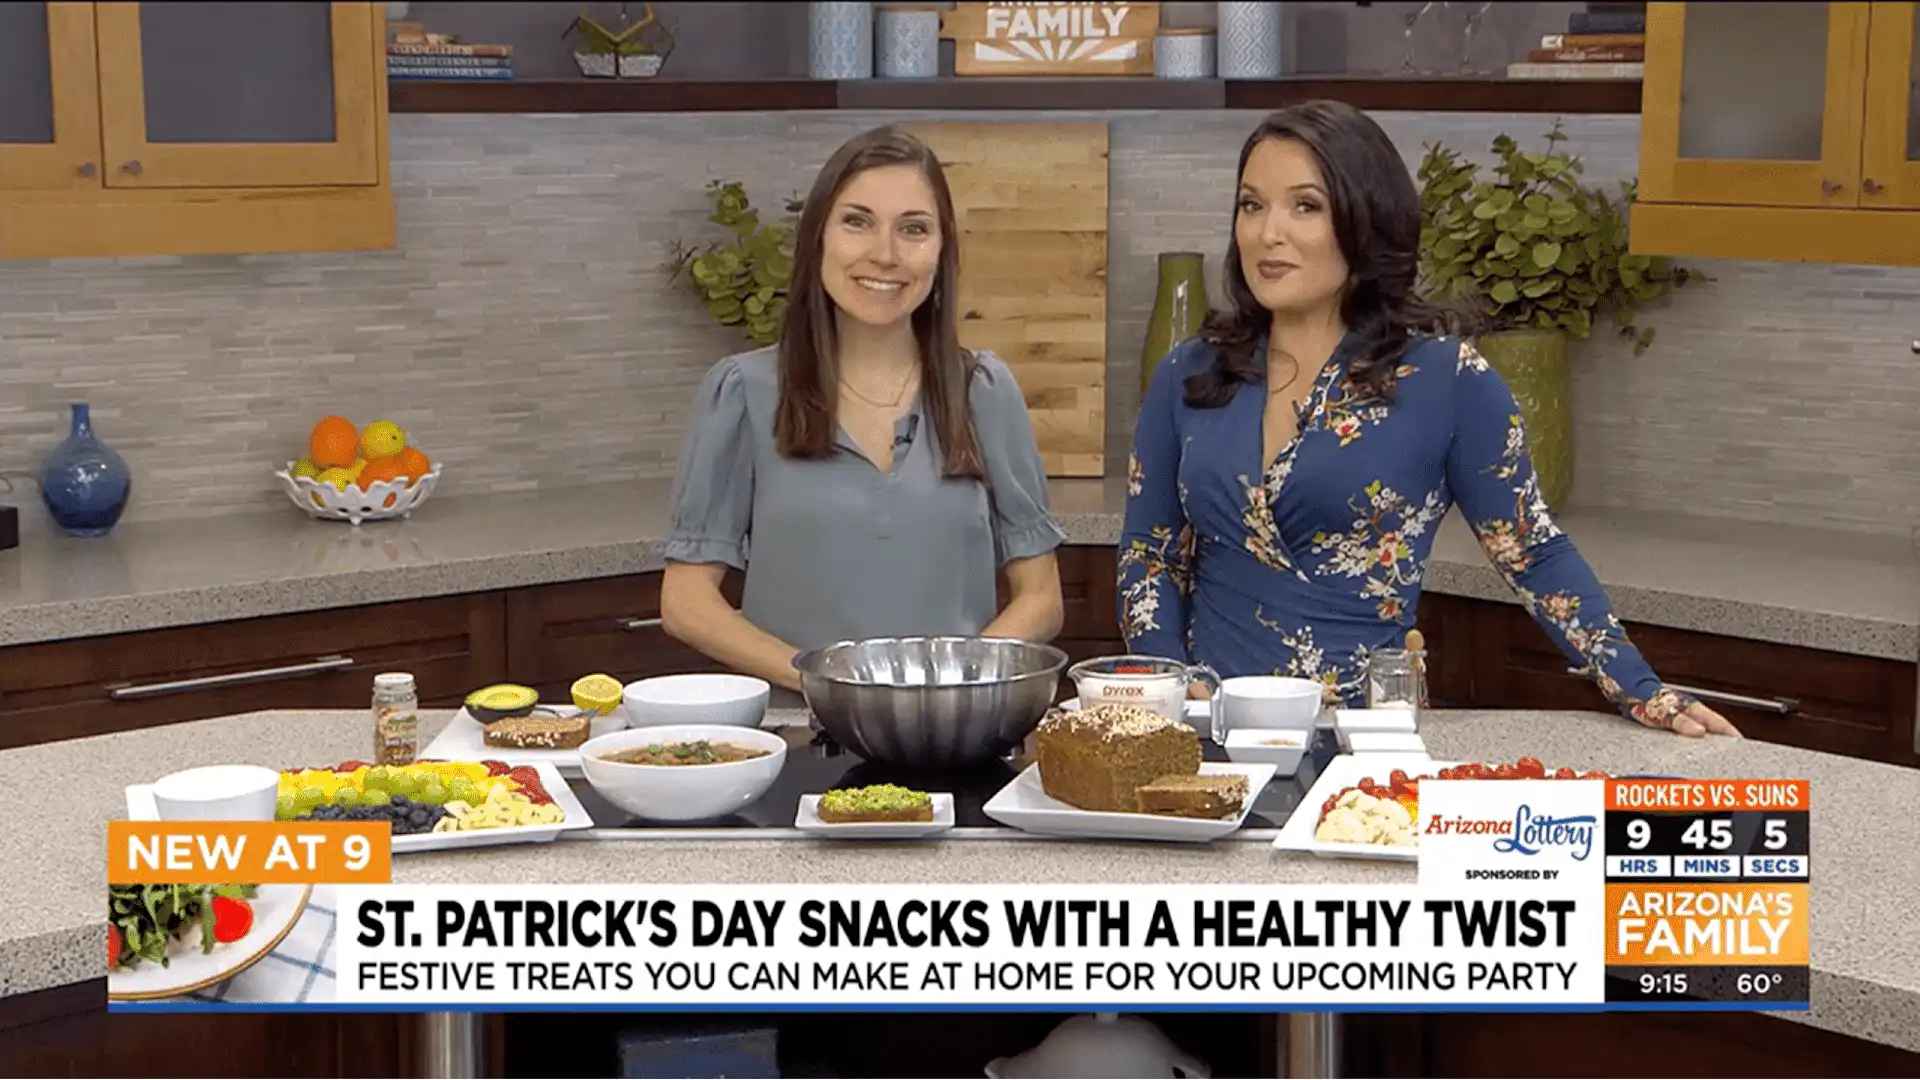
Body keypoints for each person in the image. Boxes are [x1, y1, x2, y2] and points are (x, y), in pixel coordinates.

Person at [1117, 101, 1739, 739]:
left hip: (1369, 752)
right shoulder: (1190, 374)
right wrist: (1172, 688)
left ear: (1365, 221)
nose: (1268, 233)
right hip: (1205, 745)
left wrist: (1643, 691)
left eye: (1305, 205)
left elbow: (1532, 549)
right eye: (1252, 205)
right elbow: (1148, 556)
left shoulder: (1445, 381)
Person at [659, 125, 1067, 694]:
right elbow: (686, 601)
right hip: (800, 732)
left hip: (952, 735)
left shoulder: (984, 390)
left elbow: (1042, 599)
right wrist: (829, 686)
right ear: (818, 236)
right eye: (857, 221)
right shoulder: (742, 392)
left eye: (914, 230)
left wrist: (949, 688)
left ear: (942, 248)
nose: (885, 254)